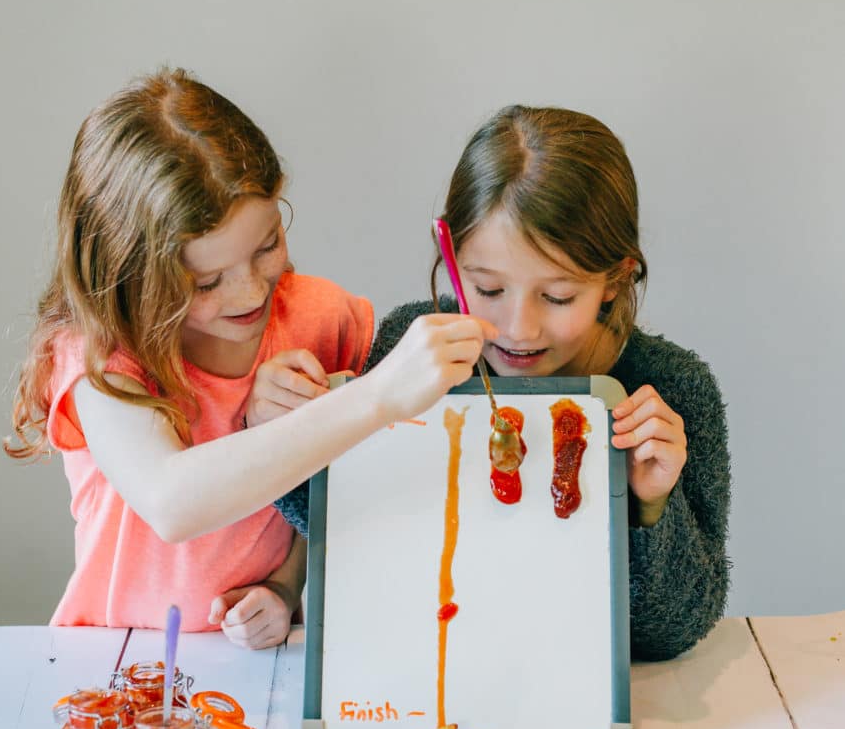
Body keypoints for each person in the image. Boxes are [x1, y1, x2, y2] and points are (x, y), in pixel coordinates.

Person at [5, 67, 495, 649]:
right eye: (207, 281)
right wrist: (375, 397)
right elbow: (173, 501)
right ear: (128, 278)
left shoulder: (320, 318)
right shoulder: (99, 354)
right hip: (112, 660)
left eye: (267, 247)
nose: (252, 293)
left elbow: (347, 489)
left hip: (263, 663)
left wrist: (287, 587)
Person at [276, 105, 730, 661]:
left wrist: (651, 505)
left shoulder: (668, 390)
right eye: (488, 289)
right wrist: (284, 434)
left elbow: (671, 634)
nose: (519, 328)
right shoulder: (408, 347)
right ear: (452, 258)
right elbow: (348, 539)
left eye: (558, 297)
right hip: (433, 675)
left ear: (614, 279)